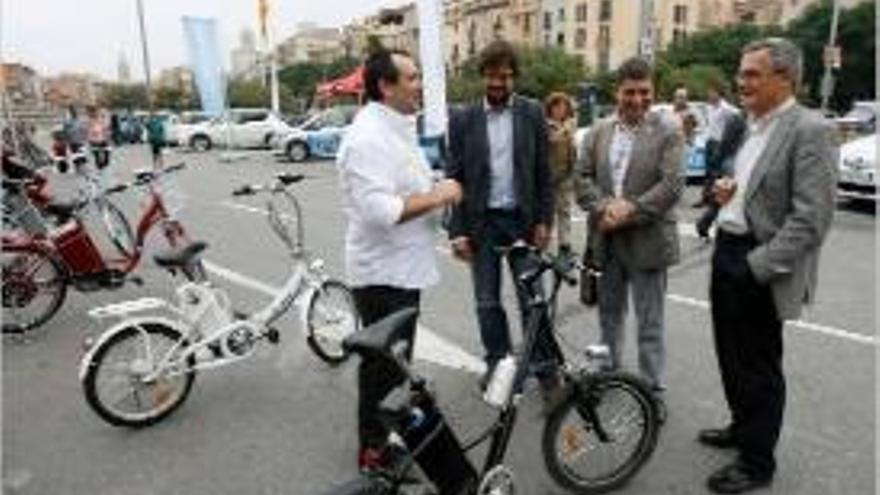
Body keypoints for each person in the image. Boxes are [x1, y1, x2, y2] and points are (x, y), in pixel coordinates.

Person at [698, 38, 838, 494]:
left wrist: (757, 266)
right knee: (730, 355)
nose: (742, 81)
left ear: (786, 78)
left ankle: (757, 463)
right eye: (742, 73)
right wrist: (722, 194)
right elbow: (741, 185)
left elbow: (812, 218)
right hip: (727, 249)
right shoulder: (746, 124)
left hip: (760, 262)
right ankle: (743, 428)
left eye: (753, 74)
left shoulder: (809, 129)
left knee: (759, 366)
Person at [337, 48, 462, 472]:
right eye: (411, 77)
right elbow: (381, 210)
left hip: (403, 270)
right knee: (381, 367)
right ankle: (372, 451)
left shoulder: (396, 128)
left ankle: (384, 439)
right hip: (382, 275)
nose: (419, 84)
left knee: (394, 362)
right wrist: (439, 195)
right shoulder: (368, 137)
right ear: (385, 86)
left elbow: (413, 186)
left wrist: (438, 198)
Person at [446, 40, 560, 400]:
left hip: (523, 222)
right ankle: (498, 362)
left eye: (506, 77)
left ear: (515, 77)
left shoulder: (532, 112)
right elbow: (455, 175)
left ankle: (545, 370)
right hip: (482, 225)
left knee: (533, 300)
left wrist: (544, 220)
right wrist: (457, 230)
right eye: (493, 77)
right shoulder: (463, 118)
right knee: (486, 301)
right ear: (482, 76)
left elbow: (545, 173)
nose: (499, 84)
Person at [574, 57, 684, 408]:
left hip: (649, 242)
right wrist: (605, 208)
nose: (637, 100)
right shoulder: (598, 131)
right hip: (607, 240)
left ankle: (651, 392)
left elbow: (672, 186)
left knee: (650, 324)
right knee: (609, 317)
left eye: (645, 92)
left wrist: (628, 210)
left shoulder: (669, 131)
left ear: (653, 92)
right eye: (630, 92)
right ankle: (610, 377)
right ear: (616, 92)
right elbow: (581, 178)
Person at [695, 80, 740, 209]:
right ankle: (705, 198)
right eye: (709, 92)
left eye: (712, 92)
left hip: (719, 143)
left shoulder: (726, 108)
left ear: (719, 94)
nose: (710, 94)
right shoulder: (709, 107)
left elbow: (738, 114)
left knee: (716, 172)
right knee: (707, 172)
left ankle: (715, 199)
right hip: (709, 141)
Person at [545, 92, 578, 257]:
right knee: (548, 211)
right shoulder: (546, 125)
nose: (561, 110)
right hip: (549, 175)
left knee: (564, 210)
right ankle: (546, 244)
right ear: (550, 108)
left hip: (566, 174)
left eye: (564, 106)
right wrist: (566, 129)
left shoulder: (569, 126)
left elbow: (573, 149)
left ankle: (565, 244)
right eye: (557, 106)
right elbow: (553, 140)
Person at [86, 105, 111, 172]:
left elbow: (105, 127)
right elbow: (89, 131)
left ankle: (102, 163)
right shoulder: (90, 121)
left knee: (105, 151)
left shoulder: (99, 119)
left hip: (100, 138)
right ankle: (100, 164)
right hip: (96, 139)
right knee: (98, 152)